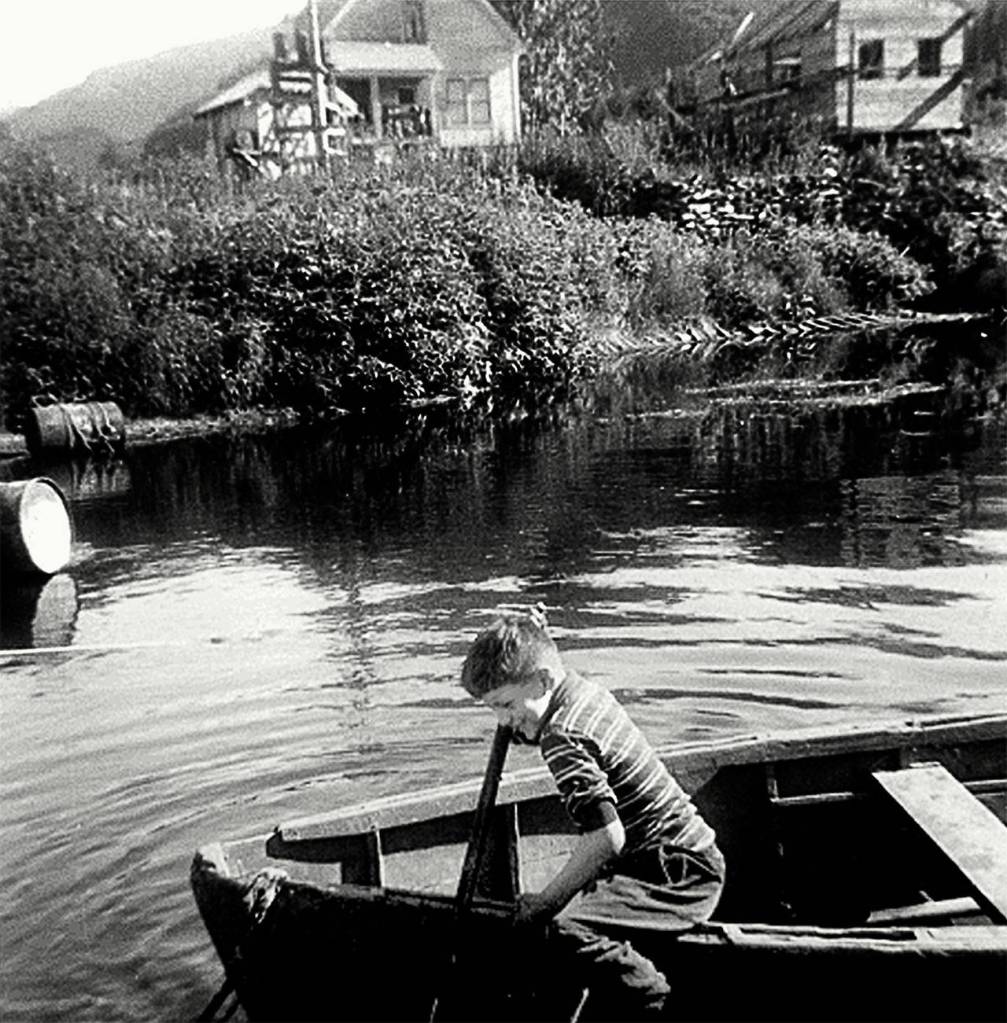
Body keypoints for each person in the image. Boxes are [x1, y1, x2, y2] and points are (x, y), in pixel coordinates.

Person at [460, 612, 724, 1019]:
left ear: (545, 680)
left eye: (506, 705)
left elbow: (606, 838)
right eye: (492, 708)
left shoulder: (561, 737)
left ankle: (652, 996)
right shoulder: (580, 691)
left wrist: (545, 902)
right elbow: (540, 684)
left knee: (563, 928)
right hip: (685, 856)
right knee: (561, 929)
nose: (502, 721)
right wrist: (535, 640)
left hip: (676, 874)